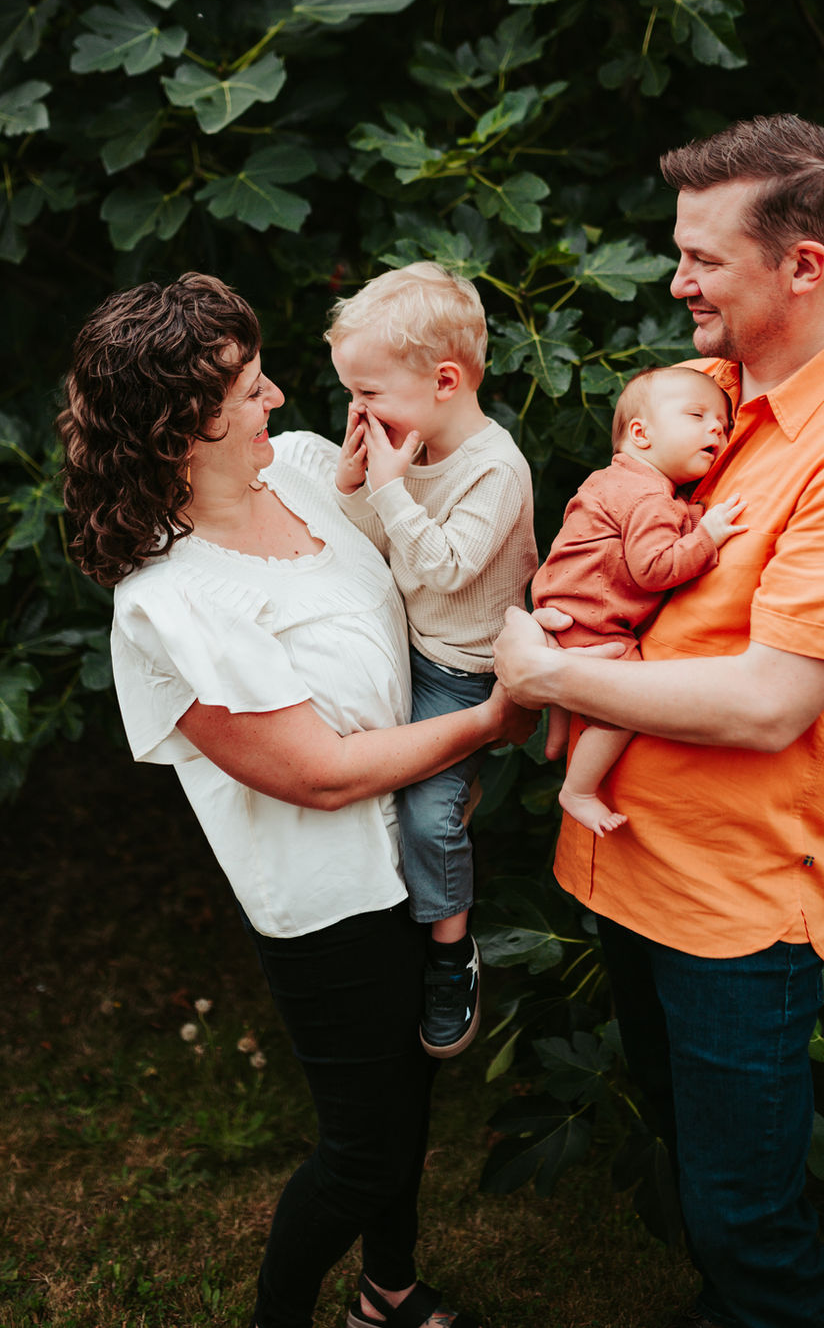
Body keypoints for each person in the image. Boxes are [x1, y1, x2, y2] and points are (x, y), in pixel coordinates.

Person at [492, 114, 824, 1328]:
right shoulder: (715, 407)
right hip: (634, 868)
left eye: (700, 256)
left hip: (735, 910)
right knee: (708, 1197)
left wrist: (545, 677)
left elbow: (765, 703)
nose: (674, 277)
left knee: (752, 1229)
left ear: (803, 264)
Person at [58, 271, 536, 1328]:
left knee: (410, 1095)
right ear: (187, 427)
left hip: (413, 841)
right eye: (251, 385)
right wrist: (486, 723)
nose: (278, 397)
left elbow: (428, 576)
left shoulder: (317, 470)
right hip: (329, 895)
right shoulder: (168, 604)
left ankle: (388, 1292)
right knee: (361, 1147)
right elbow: (314, 771)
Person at [325, 262, 538, 1058]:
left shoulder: (495, 468)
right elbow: (384, 551)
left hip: (466, 672)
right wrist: (356, 489)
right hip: (409, 645)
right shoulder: (403, 452)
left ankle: (451, 952)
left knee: (425, 812)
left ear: (444, 379)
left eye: (370, 392)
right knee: (347, 769)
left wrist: (385, 489)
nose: (358, 409)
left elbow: (445, 566)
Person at [531, 365, 745, 835]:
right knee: (626, 702)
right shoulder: (648, 496)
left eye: (725, 426)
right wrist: (706, 536)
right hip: (595, 622)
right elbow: (653, 569)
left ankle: (556, 741)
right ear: (641, 433)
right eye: (697, 415)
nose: (717, 428)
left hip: (562, 609)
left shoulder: (614, 480)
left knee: (565, 680)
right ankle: (579, 789)